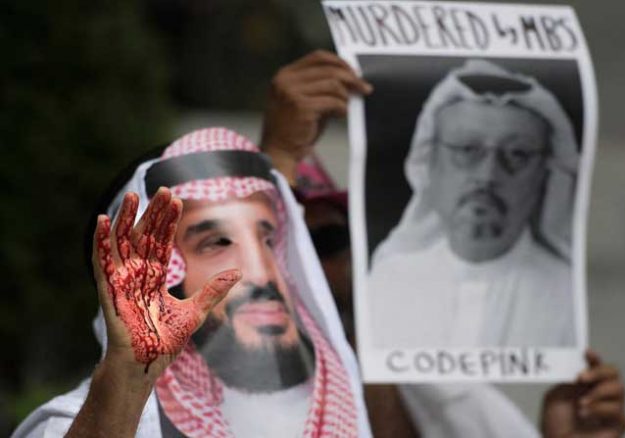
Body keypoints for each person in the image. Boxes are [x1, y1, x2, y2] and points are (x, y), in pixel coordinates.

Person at [261, 50, 625, 438]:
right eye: (278, 242)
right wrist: (277, 156)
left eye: (325, 242)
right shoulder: (219, 397)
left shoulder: (450, 397)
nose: (306, 266)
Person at [12, 127, 370, 437]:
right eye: (217, 243)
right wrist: (129, 374)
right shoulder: (66, 427)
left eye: (269, 241)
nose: (263, 274)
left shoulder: (342, 415)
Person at [367, 59, 580, 348]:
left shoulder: (569, 295)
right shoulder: (386, 283)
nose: (487, 176)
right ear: (430, 164)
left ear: (545, 174)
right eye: (467, 149)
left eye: (517, 154)